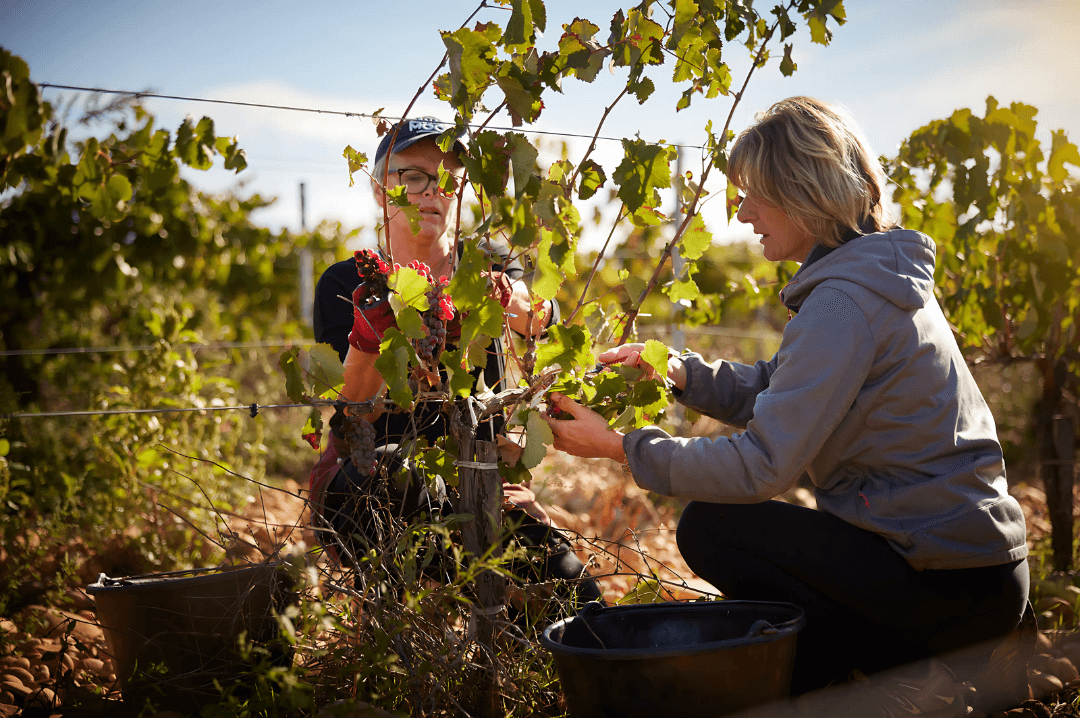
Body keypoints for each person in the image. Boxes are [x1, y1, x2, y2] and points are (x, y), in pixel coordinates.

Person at [543, 97, 1029, 713]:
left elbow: (761, 467)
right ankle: (840, 675)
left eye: (752, 195)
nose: (740, 214)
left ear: (803, 192)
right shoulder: (875, 276)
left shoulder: (842, 304)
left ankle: (893, 672)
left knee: (714, 527)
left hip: (948, 589)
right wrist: (680, 375)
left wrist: (618, 448)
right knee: (764, 576)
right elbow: (785, 387)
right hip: (973, 573)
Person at [307, 116, 603, 609]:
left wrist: (524, 308)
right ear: (382, 190)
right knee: (393, 477)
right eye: (414, 176)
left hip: (479, 474)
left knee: (578, 600)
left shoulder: (488, 262)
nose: (432, 192)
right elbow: (353, 406)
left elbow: (533, 315)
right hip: (374, 476)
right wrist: (372, 337)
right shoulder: (349, 282)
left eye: (448, 179)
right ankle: (404, 618)